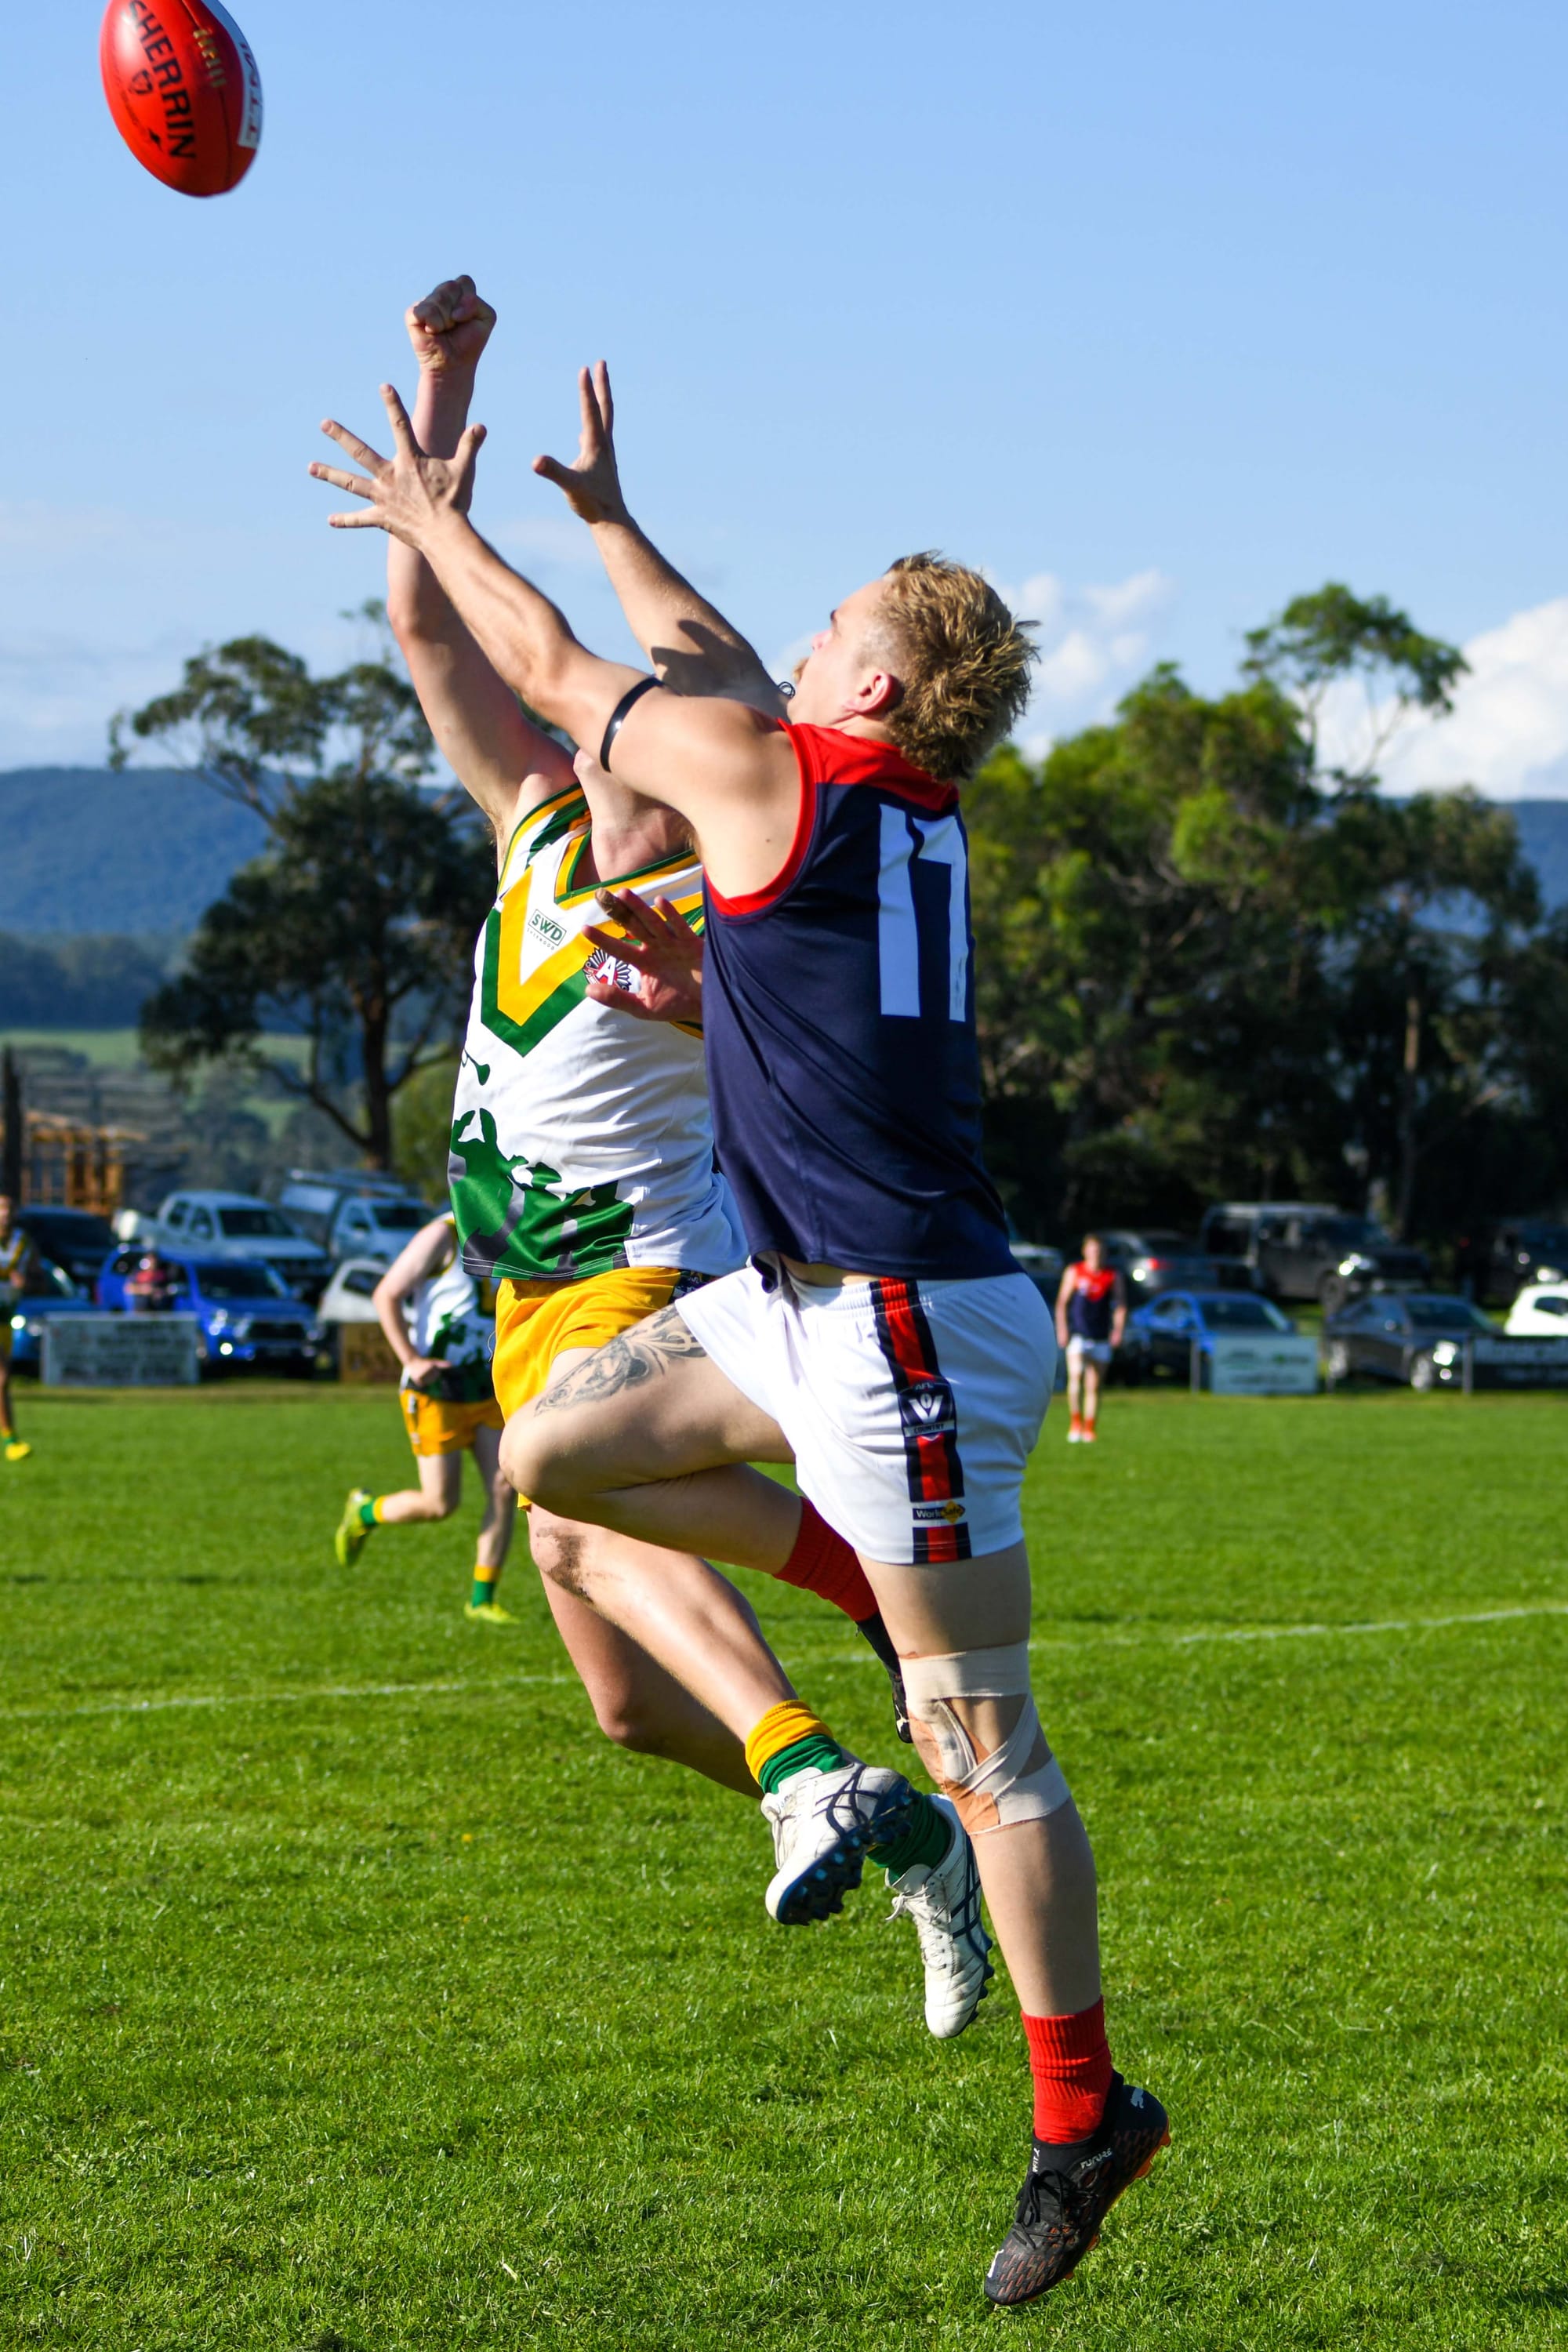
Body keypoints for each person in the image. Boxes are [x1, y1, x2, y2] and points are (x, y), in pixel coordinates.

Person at [308, 347, 1169, 2299]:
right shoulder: (880, 801)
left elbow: (556, 669)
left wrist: (444, 520)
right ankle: (859, 1599)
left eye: (824, 626)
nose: (788, 640)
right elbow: (827, 998)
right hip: (807, 1306)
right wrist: (719, 1008)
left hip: (906, 1338)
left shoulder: (778, 770)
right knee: (550, 1462)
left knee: (985, 1752)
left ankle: (1080, 2108)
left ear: (860, 682)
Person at [364, 279, 991, 2031]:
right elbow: (430, 634)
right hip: (521, 1296)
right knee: (631, 1710)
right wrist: (445, 389)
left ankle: (807, 1760)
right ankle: (902, 1828)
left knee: (569, 1520)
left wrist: (611, 551)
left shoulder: (708, 888)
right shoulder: (538, 821)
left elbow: (684, 665)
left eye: (642, 712)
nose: (587, 726)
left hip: (636, 1277)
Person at [334, 1208, 517, 1621]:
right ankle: (364, 1512)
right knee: (440, 1504)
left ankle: (482, 1600)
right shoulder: (444, 1233)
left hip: (484, 1384)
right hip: (435, 1388)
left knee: (505, 1486)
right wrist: (412, 1359)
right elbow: (387, 1294)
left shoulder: (515, 1232)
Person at [1054, 1236, 1127, 1444]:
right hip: (1078, 1333)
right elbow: (1062, 1302)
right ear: (1085, 1251)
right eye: (1093, 1250)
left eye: (1100, 1251)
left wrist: (1118, 1330)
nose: (1097, 1254)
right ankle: (1075, 1422)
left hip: (1101, 1335)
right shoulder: (1075, 1272)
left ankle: (1089, 1427)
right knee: (1076, 1375)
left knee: (1094, 1385)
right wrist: (1062, 1329)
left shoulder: (1112, 1275)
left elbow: (1120, 1305)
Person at [0, 1193, 38, 1461]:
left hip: (5, 1316)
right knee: (0, 1376)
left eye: (8, 1209)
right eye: (0, 1209)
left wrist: (27, 1282)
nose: (4, 1214)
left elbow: (40, 1280)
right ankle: (12, 1441)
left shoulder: (24, 1243)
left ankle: (11, 1440)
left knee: (3, 1383)